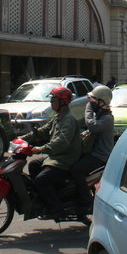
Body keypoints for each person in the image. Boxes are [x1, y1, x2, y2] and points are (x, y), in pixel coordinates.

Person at [21, 86, 81, 218]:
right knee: (33, 165)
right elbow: (42, 131)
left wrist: (41, 149)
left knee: (41, 180)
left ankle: (57, 209)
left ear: (63, 102)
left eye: (54, 100)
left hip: (65, 159)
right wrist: (22, 139)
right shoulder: (58, 117)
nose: (51, 103)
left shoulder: (69, 120)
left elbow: (61, 142)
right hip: (56, 157)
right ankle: (45, 197)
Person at [70, 85, 114, 214]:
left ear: (102, 102)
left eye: (94, 101)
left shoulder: (107, 118)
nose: (92, 103)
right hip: (92, 152)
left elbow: (91, 125)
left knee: (76, 171)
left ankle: (87, 201)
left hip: (99, 155)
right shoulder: (100, 115)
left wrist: (88, 108)